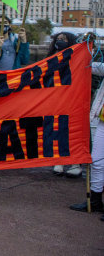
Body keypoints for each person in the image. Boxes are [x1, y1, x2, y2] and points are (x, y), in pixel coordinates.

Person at [70, 33, 104, 219]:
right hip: (102, 119)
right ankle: (95, 199)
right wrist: (84, 50)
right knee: (97, 161)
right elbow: (90, 67)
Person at [45, 32, 81, 177]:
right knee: (56, 130)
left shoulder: (76, 59)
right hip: (55, 101)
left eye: (64, 39)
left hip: (72, 100)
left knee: (72, 131)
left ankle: (75, 163)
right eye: (58, 39)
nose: (60, 42)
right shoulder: (49, 60)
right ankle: (59, 160)